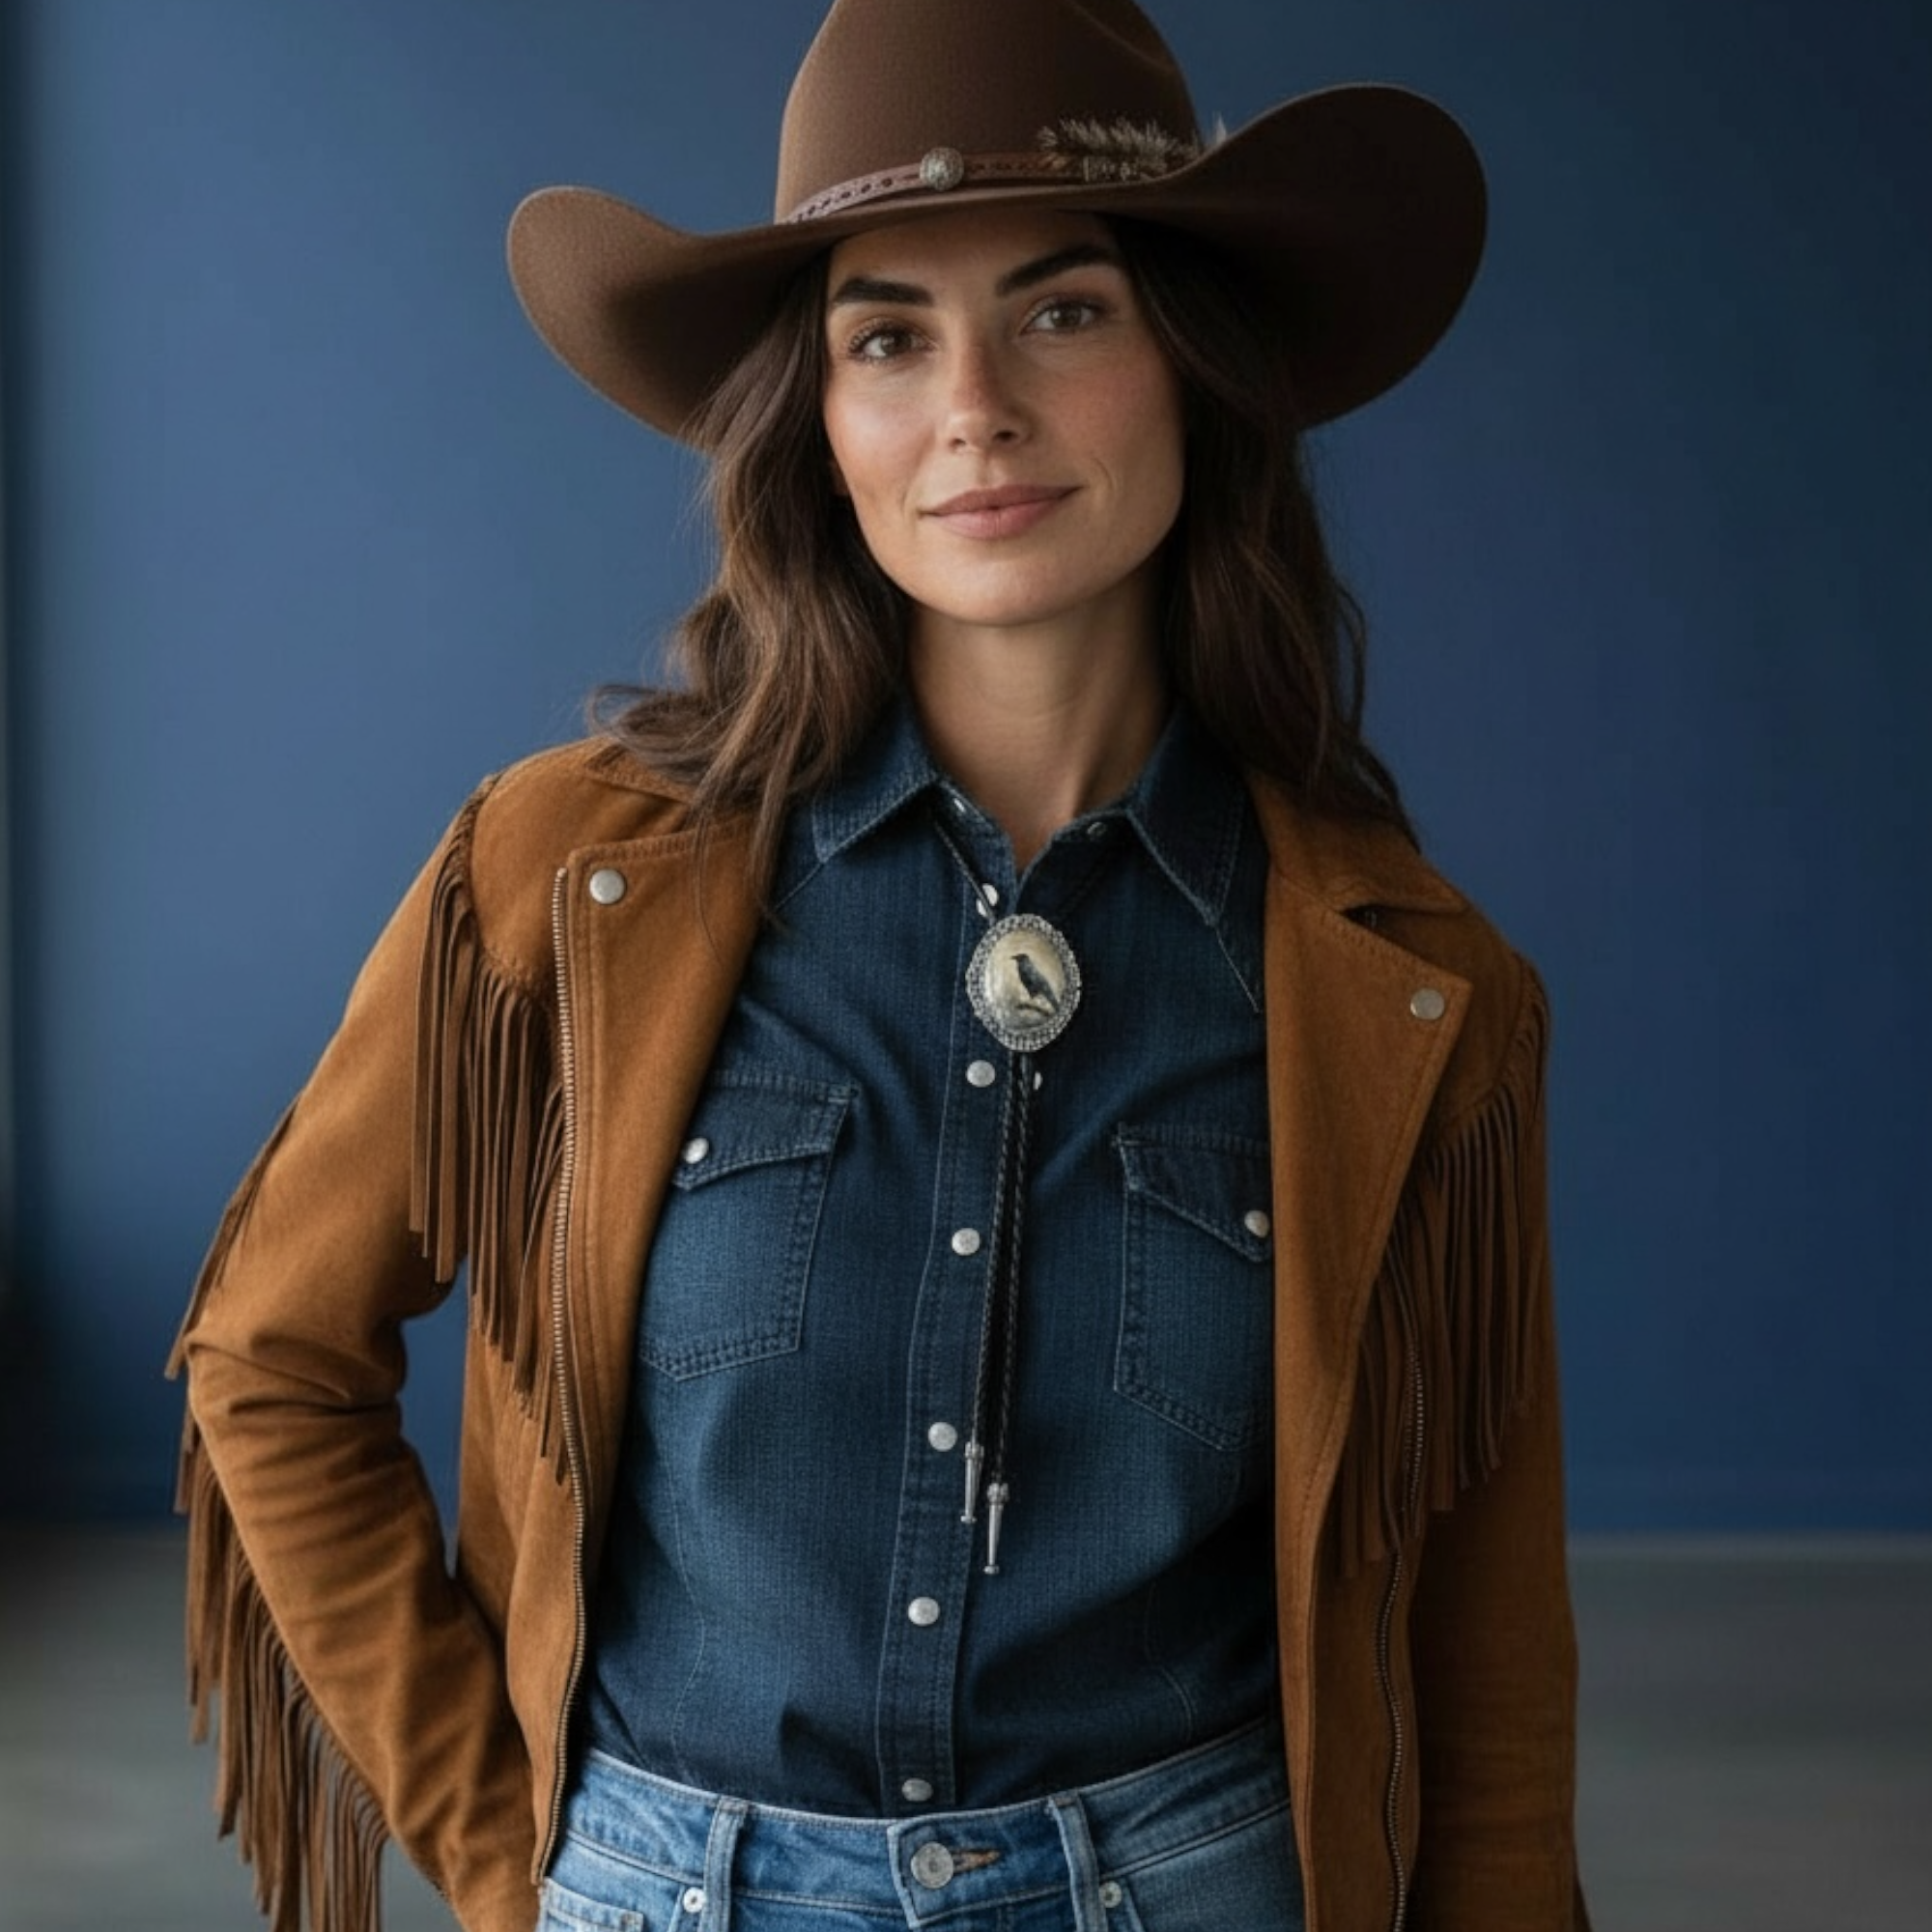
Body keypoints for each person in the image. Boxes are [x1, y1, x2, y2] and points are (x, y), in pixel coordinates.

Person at [170, 2, 1588, 1928]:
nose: (973, 408)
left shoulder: (1407, 991)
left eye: (1065, 309)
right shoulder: (561, 881)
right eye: (887, 335)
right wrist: (525, 1862)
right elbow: (270, 1357)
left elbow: (1479, 1644)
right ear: (818, 421)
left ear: (1192, 362)